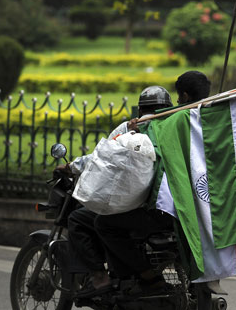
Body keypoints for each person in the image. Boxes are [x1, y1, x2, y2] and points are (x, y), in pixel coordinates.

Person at [66, 71, 212, 298]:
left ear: (182, 96)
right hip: (190, 209)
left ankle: (131, 277)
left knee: (102, 223)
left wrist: (71, 166)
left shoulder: (150, 127)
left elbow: (100, 158)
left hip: (157, 208)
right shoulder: (203, 124)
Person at [64, 85, 175, 298]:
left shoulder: (129, 129)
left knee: (90, 221)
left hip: (147, 208)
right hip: (172, 208)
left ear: (140, 109)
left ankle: (104, 277)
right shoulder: (177, 129)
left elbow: (101, 158)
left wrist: (72, 166)